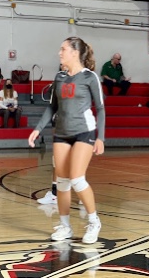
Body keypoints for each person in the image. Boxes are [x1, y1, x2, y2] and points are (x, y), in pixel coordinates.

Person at [28, 36, 105, 244]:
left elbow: (100, 108)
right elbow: (52, 107)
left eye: (63, 49)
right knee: (61, 182)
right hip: (61, 132)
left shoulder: (90, 77)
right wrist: (37, 129)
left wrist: (101, 138)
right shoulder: (59, 77)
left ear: (75, 53)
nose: (59, 52)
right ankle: (65, 226)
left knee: (77, 178)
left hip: (84, 132)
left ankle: (93, 221)